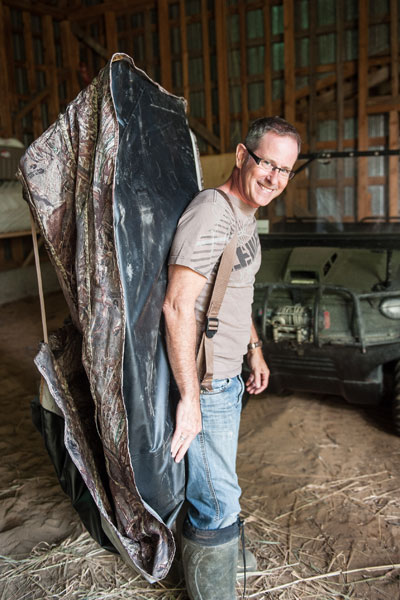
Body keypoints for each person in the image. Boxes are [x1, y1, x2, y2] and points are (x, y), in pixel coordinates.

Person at [162, 116, 301, 599]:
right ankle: (211, 583)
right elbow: (178, 305)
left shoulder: (246, 215)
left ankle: (219, 556)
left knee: (220, 482)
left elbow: (236, 290)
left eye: (285, 170)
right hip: (206, 382)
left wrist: (255, 350)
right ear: (242, 156)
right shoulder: (212, 214)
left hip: (230, 374)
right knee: (216, 498)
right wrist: (189, 398)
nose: (274, 178)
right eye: (267, 163)